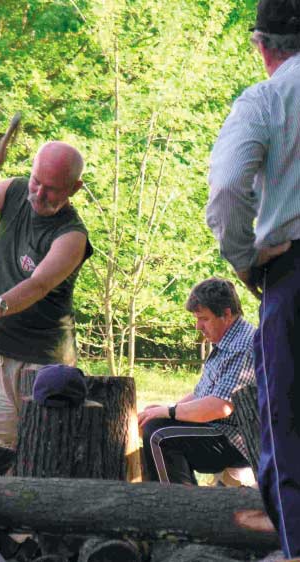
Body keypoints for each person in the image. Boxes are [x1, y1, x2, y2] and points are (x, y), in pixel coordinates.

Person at [206, 1, 300, 557]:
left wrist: (246, 261)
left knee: (289, 431)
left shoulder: (268, 98)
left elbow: (226, 189)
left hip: (293, 272)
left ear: (261, 44)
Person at [0, 137, 92, 444]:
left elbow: (38, 284)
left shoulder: (72, 236)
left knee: (41, 452)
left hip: (42, 361)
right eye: (37, 181)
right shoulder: (14, 191)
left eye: (51, 188)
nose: (39, 193)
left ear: (74, 188)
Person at [138, 278, 255, 485]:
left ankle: (178, 508)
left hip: (240, 439)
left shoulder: (242, 346)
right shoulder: (227, 340)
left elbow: (220, 407)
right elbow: (203, 394)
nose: (198, 326)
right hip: (223, 430)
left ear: (226, 314)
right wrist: (169, 408)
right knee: (155, 424)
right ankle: (186, 500)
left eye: (204, 319)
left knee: (160, 436)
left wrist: (168, 412)